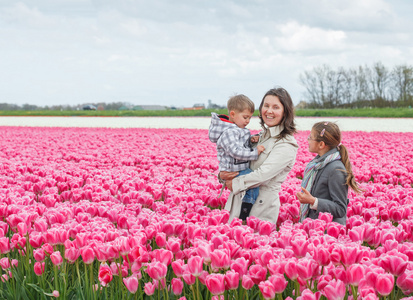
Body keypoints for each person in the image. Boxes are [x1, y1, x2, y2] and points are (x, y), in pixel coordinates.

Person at [220, 87, 298, 224]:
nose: (269, 111)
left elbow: (263, 174)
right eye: (266, 106)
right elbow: (236, 160)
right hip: (236, 205)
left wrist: (235, 183)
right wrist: (222, 175)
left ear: (285, 112)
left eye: (276, 107)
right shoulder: (259, 137)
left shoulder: (286, 144)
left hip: (259, 211)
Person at [209, 94, 265, 221]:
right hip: (233, 169)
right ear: (233, 114)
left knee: (252, 182)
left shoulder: (238, 130)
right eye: (245, 117)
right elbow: (235, 151)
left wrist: (251, 140)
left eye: (250, 118)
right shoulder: (230, 132)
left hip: (237, 167)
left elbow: (241, 144)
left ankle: (245, 210)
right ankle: (245, 213)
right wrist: (255, 152)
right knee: (253, 183)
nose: (247, 121)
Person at [296, 121, 362, 225]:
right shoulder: (317, 164)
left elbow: (340, 209)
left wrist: (313, 201)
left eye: (310, 137)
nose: (307, 140)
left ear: (321, 144)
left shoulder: (335, 169)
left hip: (328, 232)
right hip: (315, 227)